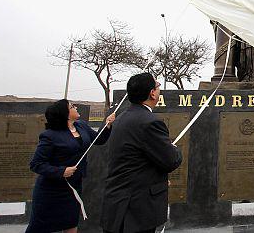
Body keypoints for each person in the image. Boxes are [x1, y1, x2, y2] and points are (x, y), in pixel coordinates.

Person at [101, 73, 182, 233]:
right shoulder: (150, 122)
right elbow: (171, 160)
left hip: (117, 207)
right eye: (158, 86)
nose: (159, 90)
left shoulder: (122, 118)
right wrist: (173, 148)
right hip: (135, 212)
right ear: (152, 93)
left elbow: (135, 159)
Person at [26, 99, 115, 233]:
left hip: (73, 189)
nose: (76, 107)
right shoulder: (49, 136)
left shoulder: (81, 126)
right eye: (72, 106)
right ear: (65, 114)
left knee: (71, 225)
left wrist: (107, 125)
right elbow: (36, 164)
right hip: (51, 191)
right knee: (40, 228)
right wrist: (61, 171)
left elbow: (99, 140)